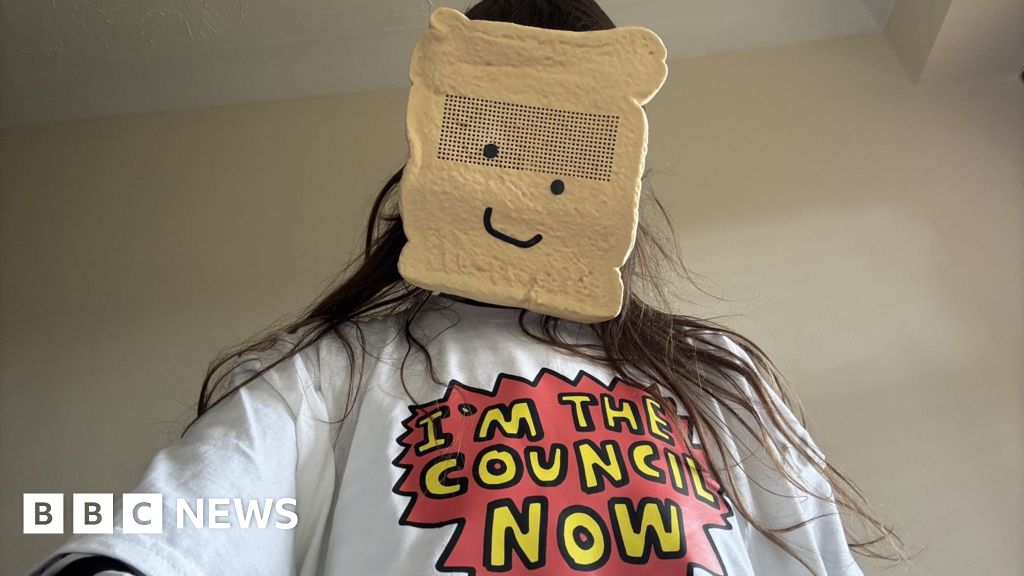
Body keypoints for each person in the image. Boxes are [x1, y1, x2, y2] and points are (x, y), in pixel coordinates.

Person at [29, 1, 907, 575]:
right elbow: (194, 522)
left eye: (563, 162)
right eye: (490, 148)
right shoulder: (332, 370)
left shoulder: (717, 376)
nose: (521, 195)